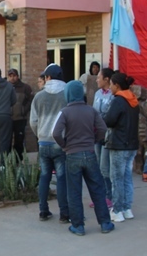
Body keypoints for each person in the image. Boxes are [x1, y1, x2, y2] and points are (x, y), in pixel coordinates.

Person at [52, 79, 114, 236]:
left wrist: (64, 145)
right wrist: (94, 140)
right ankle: (105, 223)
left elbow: (56, 133)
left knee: (74, 191)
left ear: (68, 94)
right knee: (97, 189)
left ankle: (78, 226)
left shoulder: (65, 111)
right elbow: (102, 128)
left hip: (72, 154)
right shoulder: (91, 110)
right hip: (90, 153)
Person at [29, 64, 69, 223]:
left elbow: (33, 121)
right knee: (61, 178)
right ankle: (64, 213)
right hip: (61, 142)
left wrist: (39, 134)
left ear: (48, 77)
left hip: (44, 142)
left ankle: (43, 211)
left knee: (44, 176)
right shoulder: (67, 94)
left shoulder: (39, 96)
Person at [103, 72, 140, 223]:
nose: (110, 87)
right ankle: (126, 208)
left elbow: (109, 120)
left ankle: (117, 210)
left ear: (117, 85)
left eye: (111, 84)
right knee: (126, 177)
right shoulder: (133, 100)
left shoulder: (118, 101)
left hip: (119, 144)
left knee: (116, 178)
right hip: (131, 145)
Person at [93, 68, 115, 207]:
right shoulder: (97, 93)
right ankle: (99, 196)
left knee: (105, 167)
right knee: (97, 167)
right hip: (96, 135)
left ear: (106, 79)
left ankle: (109, 196)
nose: (96, 79)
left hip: (107, 135)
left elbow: (109, 115)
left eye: (99, 77)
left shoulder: (113, 95)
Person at [7, 68, 33, 159]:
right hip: (8, 118)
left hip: (20, 119)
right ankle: (8, 159)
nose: (12, 78)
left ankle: (18, 159)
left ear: (18, 76)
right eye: (10, 76)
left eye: (14, 76)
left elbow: (30, 100)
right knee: (7, 140)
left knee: (19, 140)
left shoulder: (25, 87)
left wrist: (24, 110)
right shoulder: (6, 87)